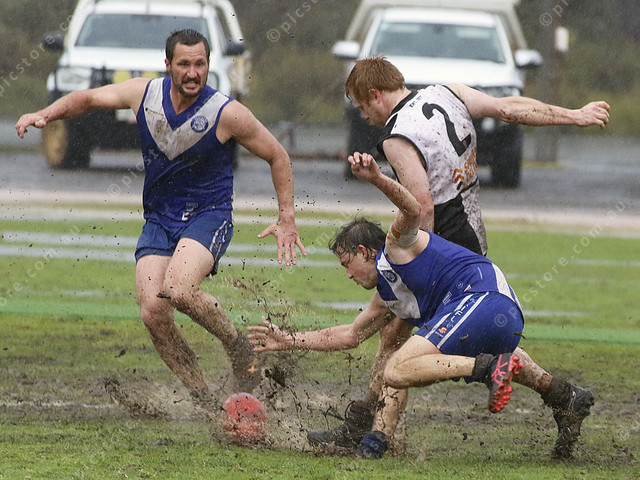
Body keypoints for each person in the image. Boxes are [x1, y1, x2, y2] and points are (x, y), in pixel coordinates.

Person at [304, 57, 609, 459]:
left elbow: (421, 207)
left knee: (398, 342)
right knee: (445, 338)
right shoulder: (446, 92)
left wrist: (410, 262)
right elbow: (508, 108)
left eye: (363, 107)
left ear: (376, 94)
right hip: (473, 238)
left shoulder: (397, 136)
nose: (365, 117)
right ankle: (562, 394)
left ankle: (369, 434)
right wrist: (574, 115)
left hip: (443, 247)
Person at [15, 29, 306, 411]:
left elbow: (278, 155)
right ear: (168, 65)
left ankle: (238, 346)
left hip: (208, 215)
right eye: (184, 64)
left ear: (208, 66)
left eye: (200, 64)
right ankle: (205, 401)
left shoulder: (226, 112)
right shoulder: (144, 94)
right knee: (153, 311)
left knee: (180, 289)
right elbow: (87, 98)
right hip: (159, 219)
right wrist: (45, 114)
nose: (192, 72)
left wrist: (287, 218)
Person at [249, 152, 571, 458]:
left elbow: (413, 209)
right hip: (495, 319)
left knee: (396, 367)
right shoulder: (387, 295)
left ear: (363, 251)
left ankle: (489, 368)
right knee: (397, 358)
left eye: (347, 264)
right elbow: (349, 335)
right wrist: (288, 340)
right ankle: (564, 396)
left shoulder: (395, 247)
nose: (348, 275)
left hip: (485, 299)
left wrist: (376, 178)